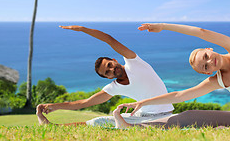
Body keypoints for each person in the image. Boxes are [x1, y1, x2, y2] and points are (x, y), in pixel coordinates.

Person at [114, 23, 230, 129]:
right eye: (205, 66)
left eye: (206, 57)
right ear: (207, 73)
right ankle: (130, 127)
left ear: (209, 49)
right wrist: (142, 102)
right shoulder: (218, 80)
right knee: (188, 115)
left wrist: (163, 26)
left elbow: (201, 32)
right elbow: (180, 95)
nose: (210, 62)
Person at [36, 25, 174, 126]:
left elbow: (109, 40)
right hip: (140, 117)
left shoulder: (134, 62)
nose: (111, 70)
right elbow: (85, 103)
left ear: (114, 60)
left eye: (109, 65)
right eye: (107, 72)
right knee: (98, 121)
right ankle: (52, 127)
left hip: (165, 115)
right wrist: (55, 106)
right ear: (108, 78)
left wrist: (83, 29)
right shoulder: (114, 87)